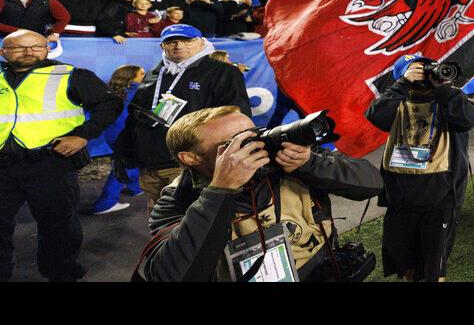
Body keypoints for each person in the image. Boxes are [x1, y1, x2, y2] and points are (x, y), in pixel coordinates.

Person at [133, 106, 382, 282]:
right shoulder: (178, 199)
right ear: (191, 157)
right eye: (236, 141)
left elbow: (372, 184)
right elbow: (170, 275)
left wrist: (310, 164)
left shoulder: (287, 163)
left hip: (322, 269)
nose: (258, 145)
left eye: (256, 133)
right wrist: (221, 190)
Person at [0, 30, 122, 281]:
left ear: (47, 48)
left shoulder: (69, 74)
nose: (29, 51)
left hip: (50, 164)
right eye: (19, 47)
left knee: (58, 227)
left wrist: (82, 135)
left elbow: (110, 104)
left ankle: (61, 273)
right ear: (3, 51)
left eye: (36, 46)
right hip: (3, 167)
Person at [365, 55, 474, 281]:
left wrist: (442, 88)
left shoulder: (448, 99)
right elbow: (375, 115)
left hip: (440, 199)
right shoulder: (397, 101)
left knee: (433, 269)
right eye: (417, 71)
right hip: (401, 198)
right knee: (406, 262)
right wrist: (403, 84)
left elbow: (467, 118)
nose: (425, 76)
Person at [113, 24, 251, 213]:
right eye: (171, 41)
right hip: (151, 165)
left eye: (187, 40)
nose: (178, 45)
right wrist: (122, 151)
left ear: (202, 43)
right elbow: (135, 116)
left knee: (196, 221)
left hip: (191, 164)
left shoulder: (222, 72)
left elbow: (237, 120)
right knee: (161, 220)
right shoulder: (155, 72)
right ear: (162, 46)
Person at [89, 65, 146, 214]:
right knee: (122, 166)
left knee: (131, 162)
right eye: (141, 74)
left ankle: (135, 188)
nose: (144, 76)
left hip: (113, 134)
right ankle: (105, 203)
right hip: (127, 134)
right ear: (131, 77)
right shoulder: (135, 92)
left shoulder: (111, 92)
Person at [0, 0, 71, 42]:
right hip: (4, 38)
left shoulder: (49, 0)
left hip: (37, 39)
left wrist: (55, 33)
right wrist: (17, 31)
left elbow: (64, 17)